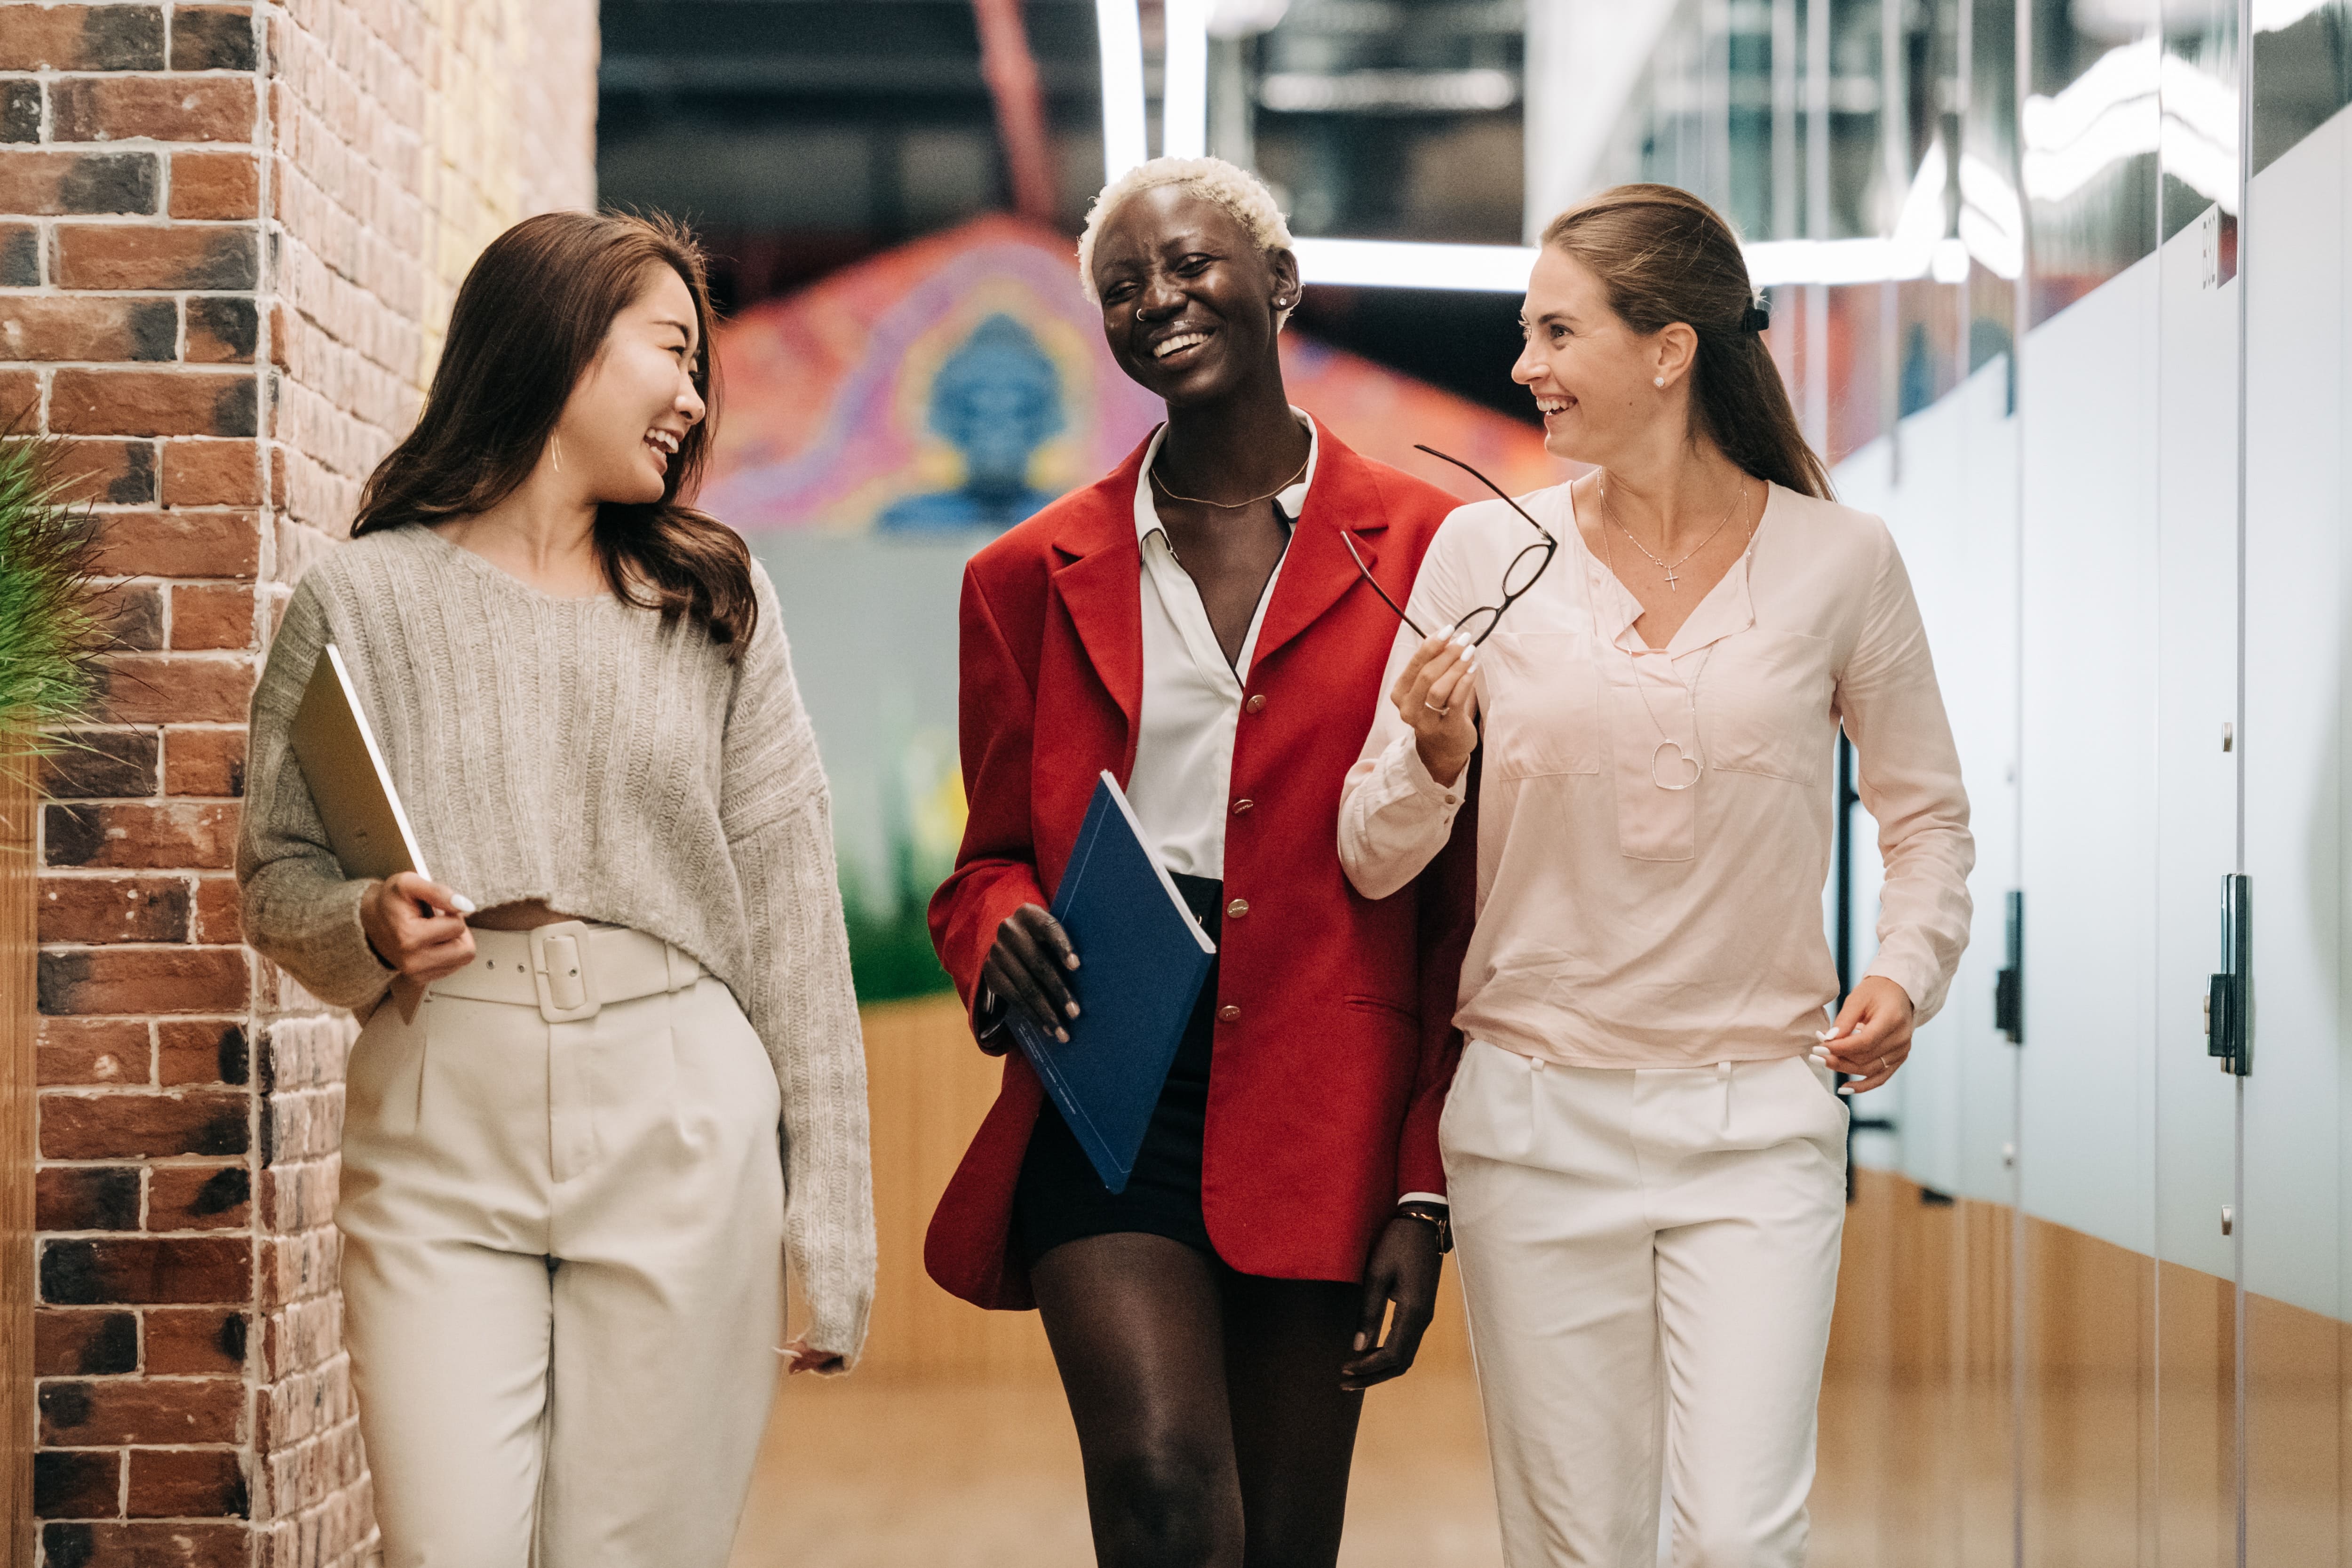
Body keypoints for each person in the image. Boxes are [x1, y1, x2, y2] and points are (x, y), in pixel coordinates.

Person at [1337, 183, 1974, 1565]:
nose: (1525, 367)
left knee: (1744, 1541)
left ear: (1669, 350)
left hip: (1758, 1129)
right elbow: (1372, 855)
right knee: (1579, 1547)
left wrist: (1904, 973)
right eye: (1527, 333)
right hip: (1532, 1127)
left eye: (1558, 332)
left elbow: (1927, 821)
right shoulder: (1484, 554)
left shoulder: (1841, 562)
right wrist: (1431, 755)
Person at [238, 211, 875, 1568]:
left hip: (681, 1107)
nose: (695, 398)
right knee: (450, 1548)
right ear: (564, 346)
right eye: (671, 352)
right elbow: (274, 872)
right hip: (437, 1109)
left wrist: (831, 1211)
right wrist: (361, 921)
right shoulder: (358, 598)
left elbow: (793, 912)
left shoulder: (714, 602)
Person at [924, 156, 1476, 1568]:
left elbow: (1465, 902)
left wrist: (1425, 1185)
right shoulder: (1022, 578)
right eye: (1121, 287)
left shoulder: (1433, 552)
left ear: (1281, 283)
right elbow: (982, 859)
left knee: (1285, 1543)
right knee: (1165, 1492)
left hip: (1325, 1084)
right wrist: (997, 925)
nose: (1155, 300)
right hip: (1105, 1075)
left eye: (1187, 266)